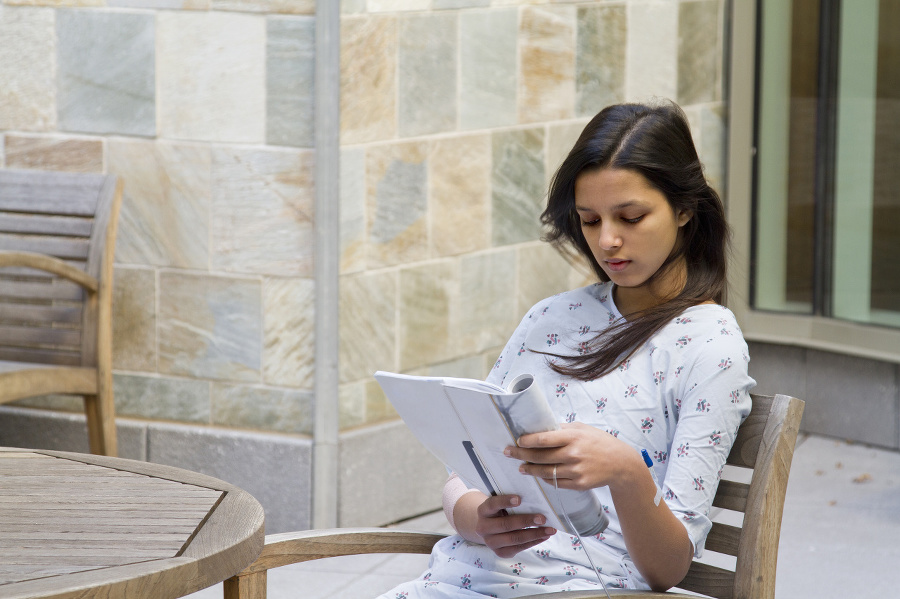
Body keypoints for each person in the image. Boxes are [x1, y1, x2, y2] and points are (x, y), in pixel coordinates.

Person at [377, 100, 755, 598]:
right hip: (450, 583)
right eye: (590, 220)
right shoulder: (549, 319)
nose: (608, 241)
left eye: (631, 216)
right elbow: (465, 474)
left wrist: (627, 472)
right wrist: (475, 518)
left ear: (685, 209)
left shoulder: (710, 346)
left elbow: (667, 570)